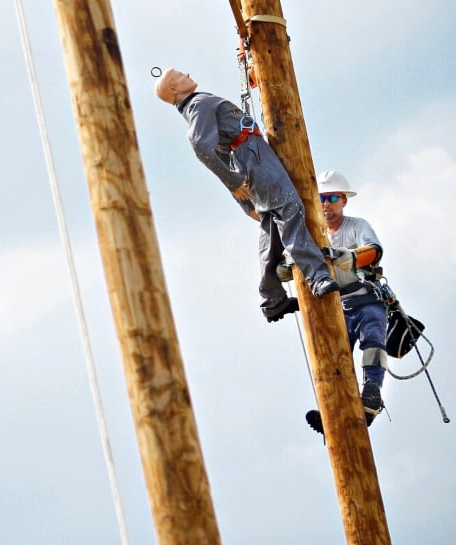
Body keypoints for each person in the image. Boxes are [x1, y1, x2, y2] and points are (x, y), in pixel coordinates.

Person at [154, 67, 339, 322]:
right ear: (173, 90)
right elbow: (201, 147)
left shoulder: (198, 108)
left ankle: (272, 298)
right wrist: (233, 183)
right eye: (179, 75)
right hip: (253, 157)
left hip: (247, 158)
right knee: (288, 210)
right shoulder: (198, 105)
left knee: (271, 226)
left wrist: (240, 195)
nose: (187, 73)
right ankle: (317, 277)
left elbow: (217, 153)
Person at [305, 170, 387, 434]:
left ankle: (372, 391)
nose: (326, 204)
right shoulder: (314, 233)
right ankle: (332, 409)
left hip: (366, 299)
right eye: (321, 199)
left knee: (372, 339)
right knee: (333, 358)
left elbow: (374, 251)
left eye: (331, 197)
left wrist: (350, 257)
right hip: (337, 306)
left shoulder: (357, 226)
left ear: (344, 201)